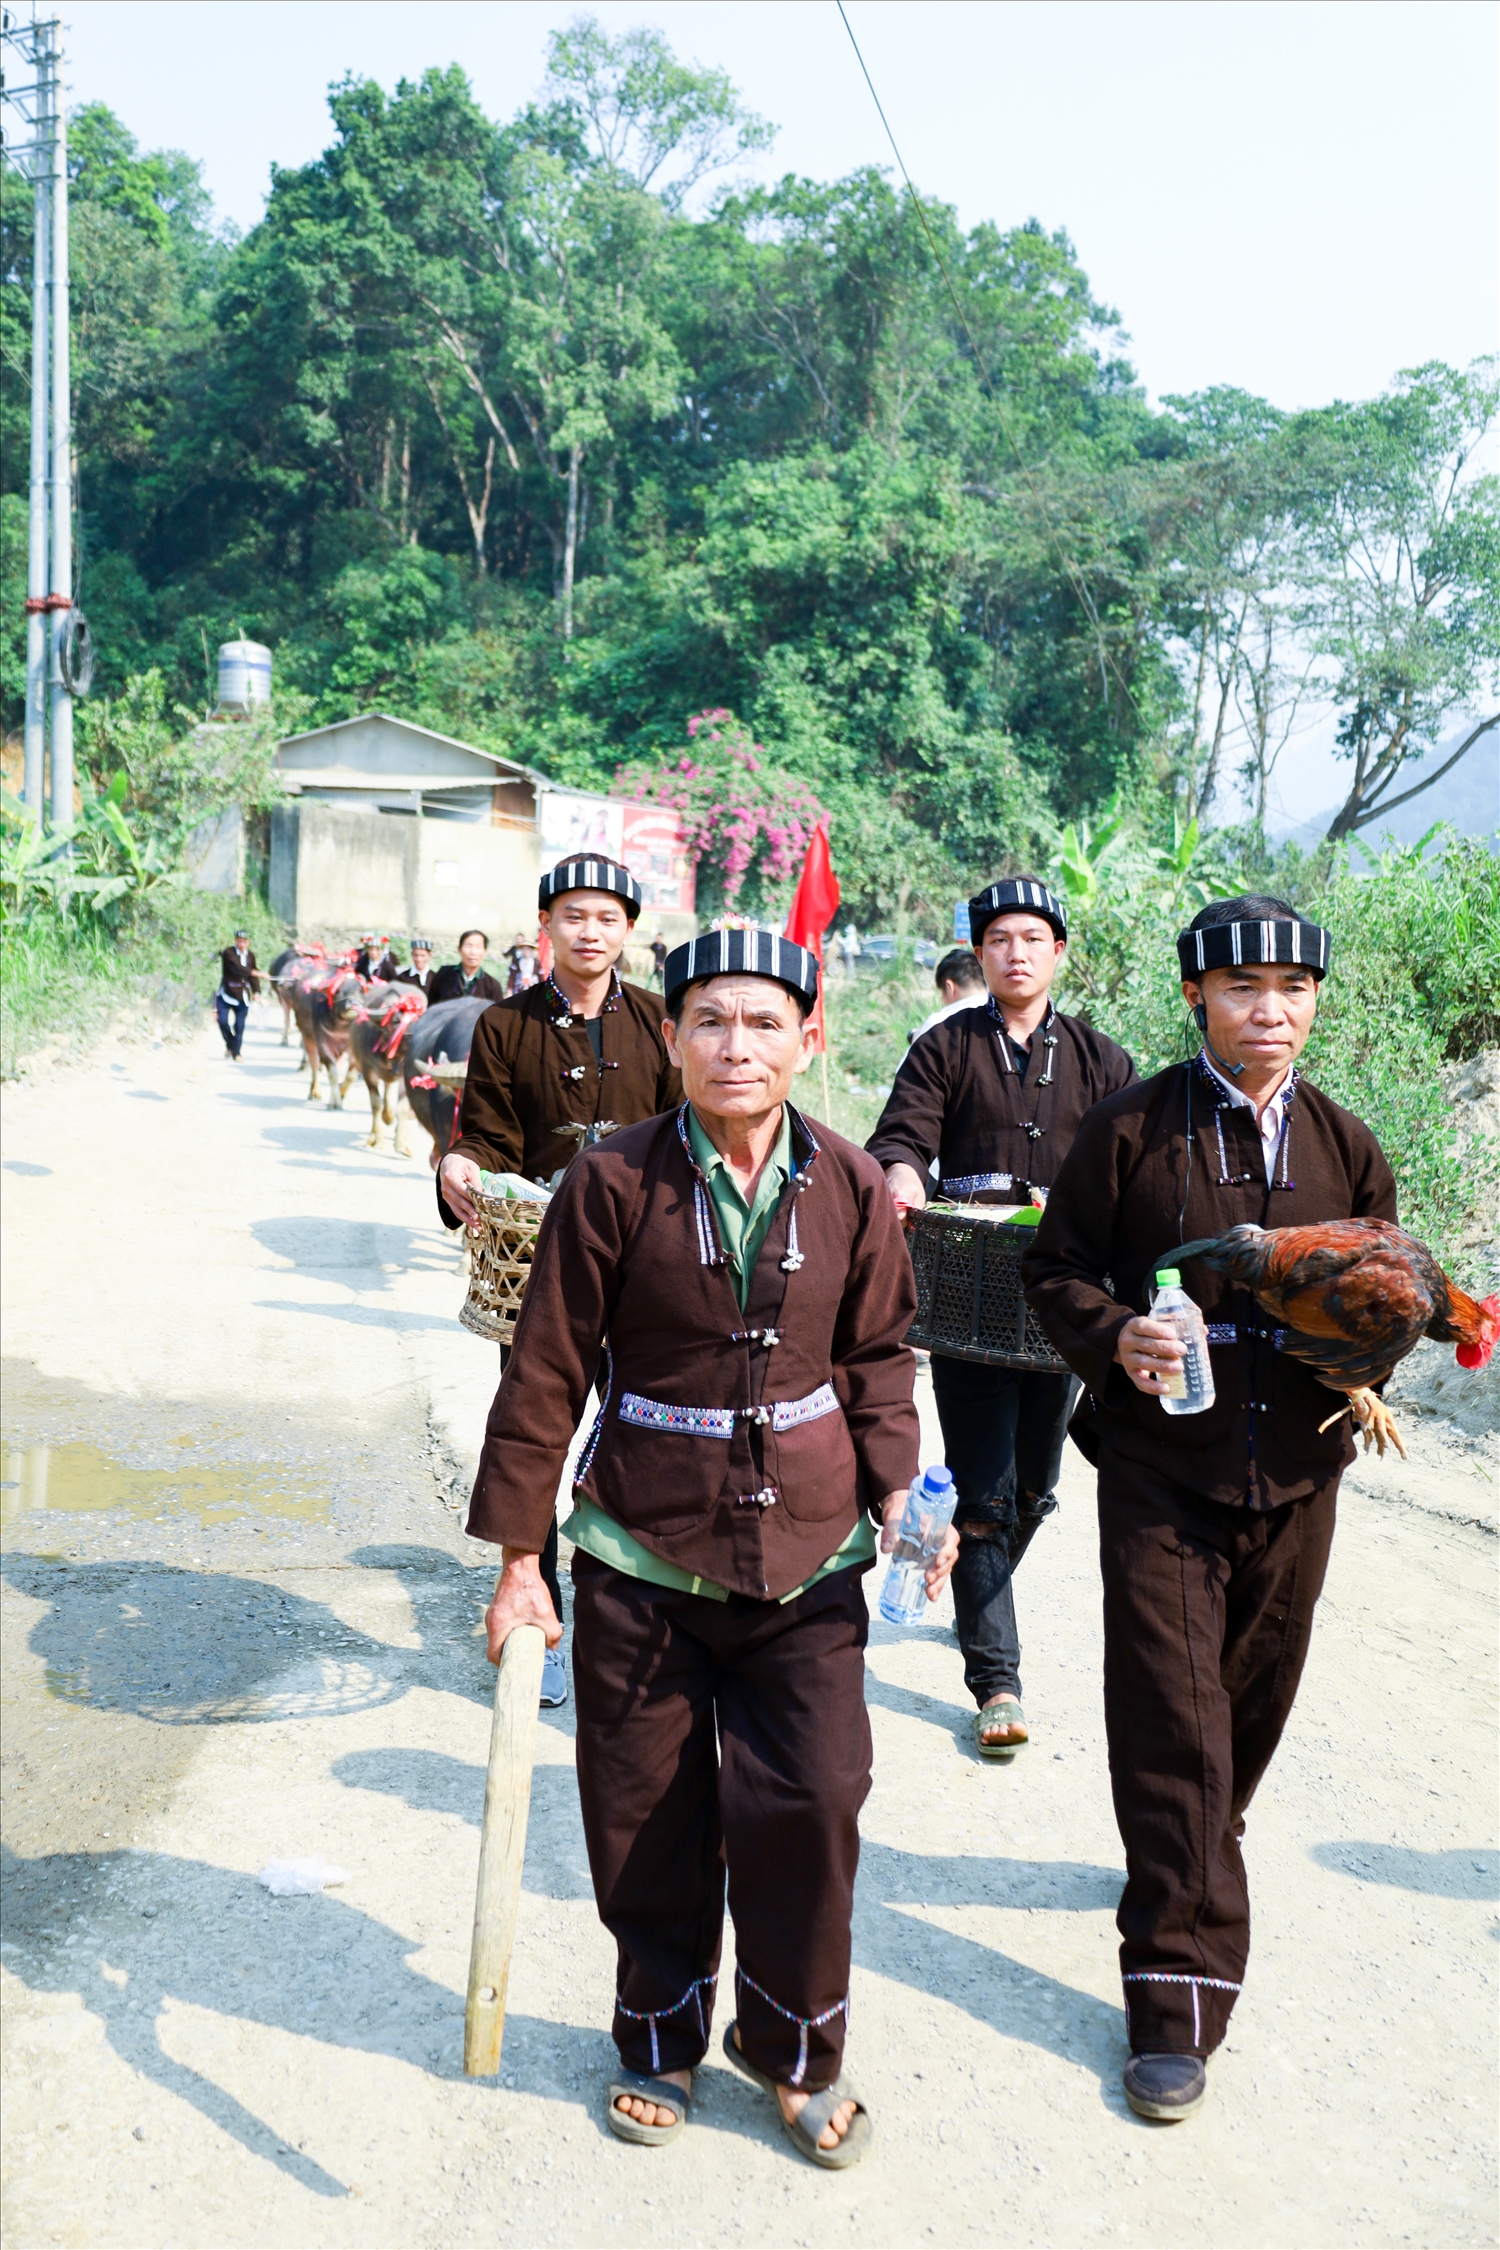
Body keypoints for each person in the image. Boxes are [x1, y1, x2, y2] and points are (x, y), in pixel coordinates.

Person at [468, 925, 954, 2163]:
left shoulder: (849, 1184)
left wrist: (899, 1494)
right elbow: (546, 1374)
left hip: (810, 1557)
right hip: (641, 1550)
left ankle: (793, 2050)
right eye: (710, 1022)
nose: (737, 1046)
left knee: (818, 1795)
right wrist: (522, 1563)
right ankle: (659, 2036)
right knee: (643, 1808)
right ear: (671, 1037)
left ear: (809, 1038)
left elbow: (877, 1362)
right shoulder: (611, 1182)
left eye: (763, 1022)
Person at [1022, 895, 1396, 2122]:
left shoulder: (1346, 1144)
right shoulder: (1131, 1129)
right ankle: (1176, 1989)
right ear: (1196, 999)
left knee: (1249, 1709)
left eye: (1291, 989)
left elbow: (1389, 1291)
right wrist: (1114, 1333)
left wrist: (1363, 1370)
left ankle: (1191, 1840)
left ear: (1316, 1002)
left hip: (1299, 1471)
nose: (1268, 1011)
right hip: (1159, 1471)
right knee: (1175, 1722)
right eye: (1241, 989)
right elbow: (1055, 1267)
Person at [866, 878, 1135, 1760]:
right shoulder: (945, 1047)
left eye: (1033, 938)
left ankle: (974, 1587)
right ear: (980, 954)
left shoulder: (1101, 1060)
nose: (1016, 952)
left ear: (1060, 952)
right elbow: (900, 1139)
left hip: (1065, 1296)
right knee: (983, 1490)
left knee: (1036, 1490)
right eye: (999, 939)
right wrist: (903, 1177)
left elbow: (1136, 1165)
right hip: (969, 1285)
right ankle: (998, 1681)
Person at [437, 858, 682, 1708]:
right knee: (534, 1429)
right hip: (541, 1264)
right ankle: (532, 1604)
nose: (590, 931)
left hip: (649, 1266)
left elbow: (691, 1133)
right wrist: (460, 1165)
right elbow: (489, 1137)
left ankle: (635, 1617)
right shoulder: (504, 1026)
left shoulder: (662, 1023)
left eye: (607, 918)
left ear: (628, 931)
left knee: (643, 1435)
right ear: (546, 923)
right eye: (573, 916)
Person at [907, 946, 989, 1044]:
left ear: (950, 987)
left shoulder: (939, 1023)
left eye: (942, 994)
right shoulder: (1003, 1014)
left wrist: (917, 1038)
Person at [215, 929, 261, 1061]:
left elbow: (252, 977)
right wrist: (256, 973)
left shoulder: (250, 956)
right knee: (222, 1021)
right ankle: (231, 1044)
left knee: (239, 1026)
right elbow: (238, 968)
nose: (242, 944)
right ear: (235, 940)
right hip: (227, 993)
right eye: (239, 941)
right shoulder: (228, 953)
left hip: (242, 996)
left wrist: (256, 992)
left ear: (248, 942)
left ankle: (237, 1053)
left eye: (244, 941)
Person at [430, 930, 507, 1005]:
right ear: (459, 949)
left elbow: (497, 1015)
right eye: (468, 946)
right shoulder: (444, 974)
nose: (473, 952)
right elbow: (432, 1006)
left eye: (478, 947)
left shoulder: (492, 985)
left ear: (484, 951)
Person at [505, 930, 538, 995]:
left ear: (531, 950)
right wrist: (509, 989)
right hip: (519, 988)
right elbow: (512, 976)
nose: (526, 951)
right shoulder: (517, 961)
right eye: (524, 949)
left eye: (528, 949)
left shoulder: (536, 962)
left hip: (532, 988)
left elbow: (540, 976)